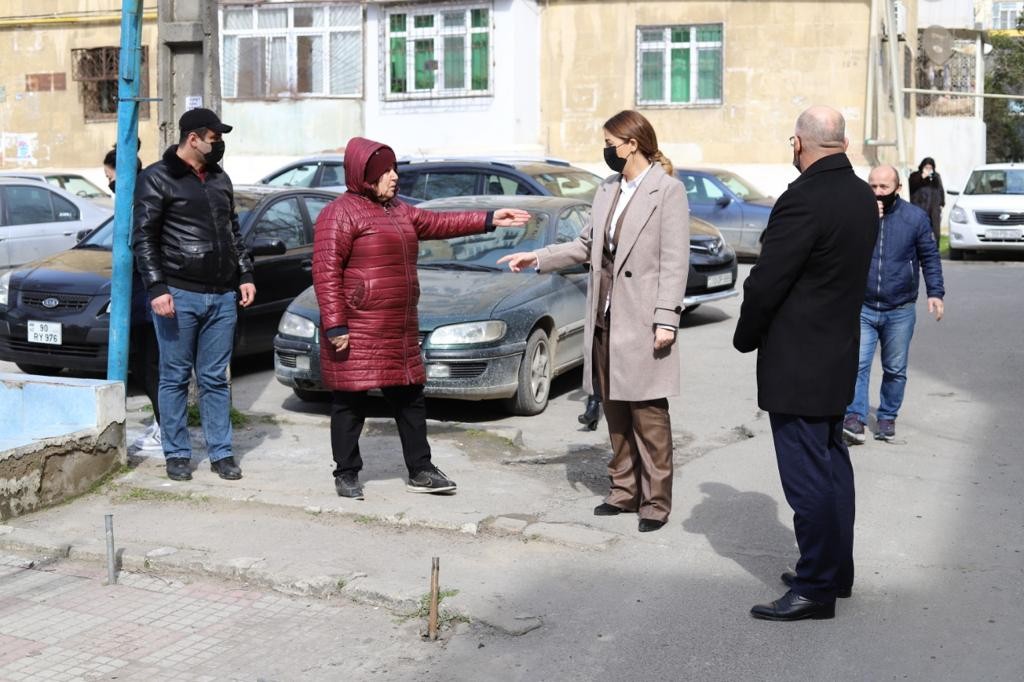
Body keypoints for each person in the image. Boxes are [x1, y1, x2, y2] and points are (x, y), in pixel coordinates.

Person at [499, 110, 690, 533]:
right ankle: (624, 491)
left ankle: (656, 501)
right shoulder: (608, 188)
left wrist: (666, 319)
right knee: (614, 408)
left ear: (632, 144)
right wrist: (538, 257)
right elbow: (586, 244)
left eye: (610, 143)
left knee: (648, 413)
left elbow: (675, 262)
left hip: (643, 319)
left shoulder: (667, 191)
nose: (606, 152)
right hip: (605, 317)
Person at [313, 137, 529, 500]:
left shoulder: (397, 210)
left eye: (395, 170)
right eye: (385, 172)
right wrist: (336, 324)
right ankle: (347, 472)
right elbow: (326, 272)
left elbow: (437, 222)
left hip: (397, 328)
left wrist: (489, 219)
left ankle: (421, 469)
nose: (394, 177)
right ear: (364, 175)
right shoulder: (339, 213)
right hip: (358, 328)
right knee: (350, 403)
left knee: (410, 399)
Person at [733, 106, 878, 621]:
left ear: (799, 144)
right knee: (832, 467)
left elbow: (767, 281)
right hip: (836, 354)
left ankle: (816, 587)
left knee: (808, 478)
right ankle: (835, 571)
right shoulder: (862, 194)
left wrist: (745, 335)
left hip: (798, 362)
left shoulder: (803, 199)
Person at [133, 108, 256, 482]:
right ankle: (178, 453)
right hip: (178, 295)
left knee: (215, 377)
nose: (219, 144)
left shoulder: (220, 179)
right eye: (215, 137)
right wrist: (156, 288)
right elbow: (143, 238)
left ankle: (222, 454)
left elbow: (233, 231)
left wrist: (245, 273)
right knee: (173, 377)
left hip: (222, 296)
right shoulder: (157, 178)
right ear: (193, 138)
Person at [843, 166, 945, 444]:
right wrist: (865, 222)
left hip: (899, 308)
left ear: (897, 189)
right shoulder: (856, 215)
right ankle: (855, 418)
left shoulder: (914, 218)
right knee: (858, 364)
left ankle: (887, 417)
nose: (877, 192)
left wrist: (935, 293)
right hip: (863, 306)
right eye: (872, 187)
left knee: (895, 368)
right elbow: (839, 250)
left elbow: (930, 257)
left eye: (883, 187)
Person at [103, 143, 161, 451]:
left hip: (146, 300)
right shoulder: (135, 199)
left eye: (108, 175)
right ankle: (164, 424)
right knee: (147, 365)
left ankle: (166, 427)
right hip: (140, 299)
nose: (107, 182)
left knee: (150, 365)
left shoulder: (138, 201)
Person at [908, 157, 945, 243]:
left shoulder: (936, 177)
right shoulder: (915, 176)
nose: (928, 170)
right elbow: (911, 187)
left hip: (934, 209)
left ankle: (935, 248)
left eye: (930, 168)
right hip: (919, 207)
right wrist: (922, 177)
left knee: (935, 232)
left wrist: (941, 203)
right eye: (926, 168)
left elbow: (940, 190)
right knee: (920, 230)